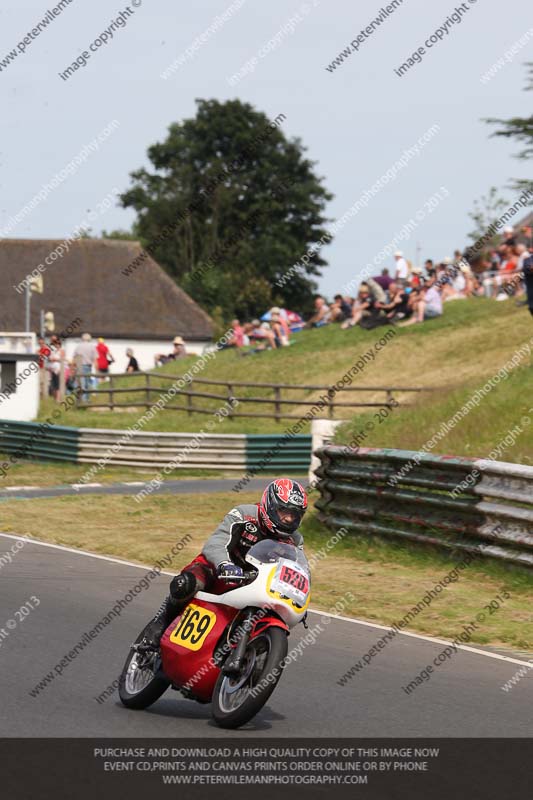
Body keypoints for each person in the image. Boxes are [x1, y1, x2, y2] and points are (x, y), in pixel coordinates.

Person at [144, 478, 308, 648]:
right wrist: (224, 564)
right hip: (217, 569)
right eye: (284, 511)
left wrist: (299, 596)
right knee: (186, 583)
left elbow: (298, 570)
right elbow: (216, 542)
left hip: (256, 583)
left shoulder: (295, 540)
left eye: (295, 514)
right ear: (270, 504)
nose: (289, 519)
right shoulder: (244, 514)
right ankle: (160, 625)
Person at [73, 333, 97, 402]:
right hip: (88, 366)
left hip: (80, 366)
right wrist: (96, 369)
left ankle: (81, 400)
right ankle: (86, 399)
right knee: (87, 383)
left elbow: (74, 357)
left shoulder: (78, 346)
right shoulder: (92, 346)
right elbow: (95, 358)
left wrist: (73, 367)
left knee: (81, 383)